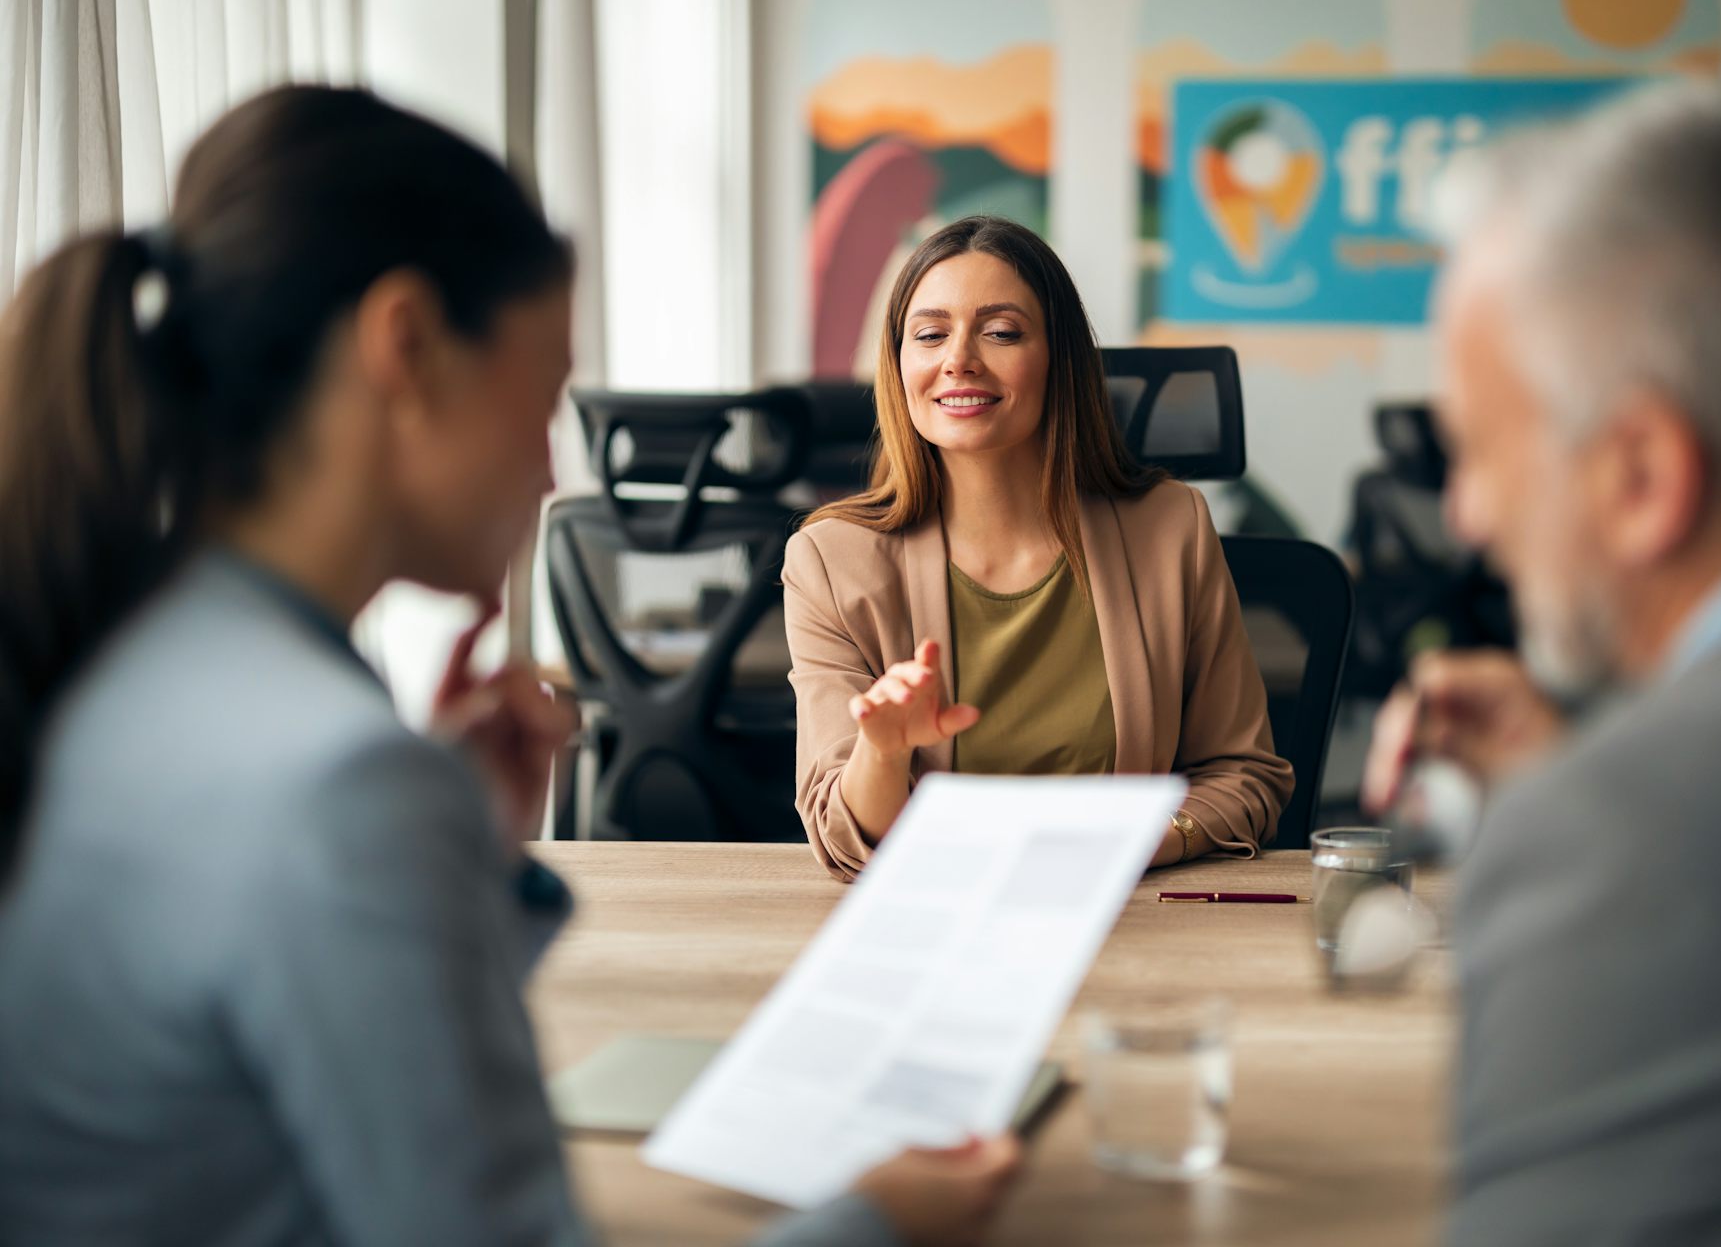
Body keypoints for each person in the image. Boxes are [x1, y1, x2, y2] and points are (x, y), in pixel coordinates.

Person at [0, 86, 1018, 1247]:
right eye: (541, 401)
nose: (548, 475)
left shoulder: (119, 659)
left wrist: (459, 860)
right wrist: (880, 1218)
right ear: (408, 348)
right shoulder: (339, 779)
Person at [1391, 83, 1721, 1244]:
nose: (1468, 518)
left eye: (1476, 451)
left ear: (1639, 475)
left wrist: (1608, 810)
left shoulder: (1632, 840)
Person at [784, 216, 1293, 881]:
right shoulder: (831, 559)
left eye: (1001, 332)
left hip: (1128, 918)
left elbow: (1243, 774)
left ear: (1060, 360)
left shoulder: (1170, 528)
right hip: (936, 913)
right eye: (930, 334)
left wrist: (1122, 850)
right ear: (899, 364)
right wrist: (880, 753)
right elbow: (844, 840)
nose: (958, 359)